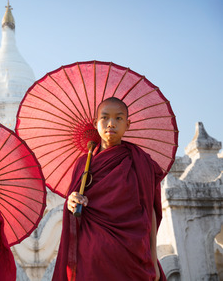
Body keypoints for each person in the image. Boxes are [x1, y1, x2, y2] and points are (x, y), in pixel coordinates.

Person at [52, 97, 166, 281]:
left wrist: (153, 257)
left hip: (132, 253)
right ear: (96, 123)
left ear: (127, 124)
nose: (111, 124)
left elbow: (150, 211)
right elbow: (73, 205)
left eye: (119, 118)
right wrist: (71, 201)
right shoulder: (83, 163)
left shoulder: (141, 161)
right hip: (92, 253)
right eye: (105, 118)